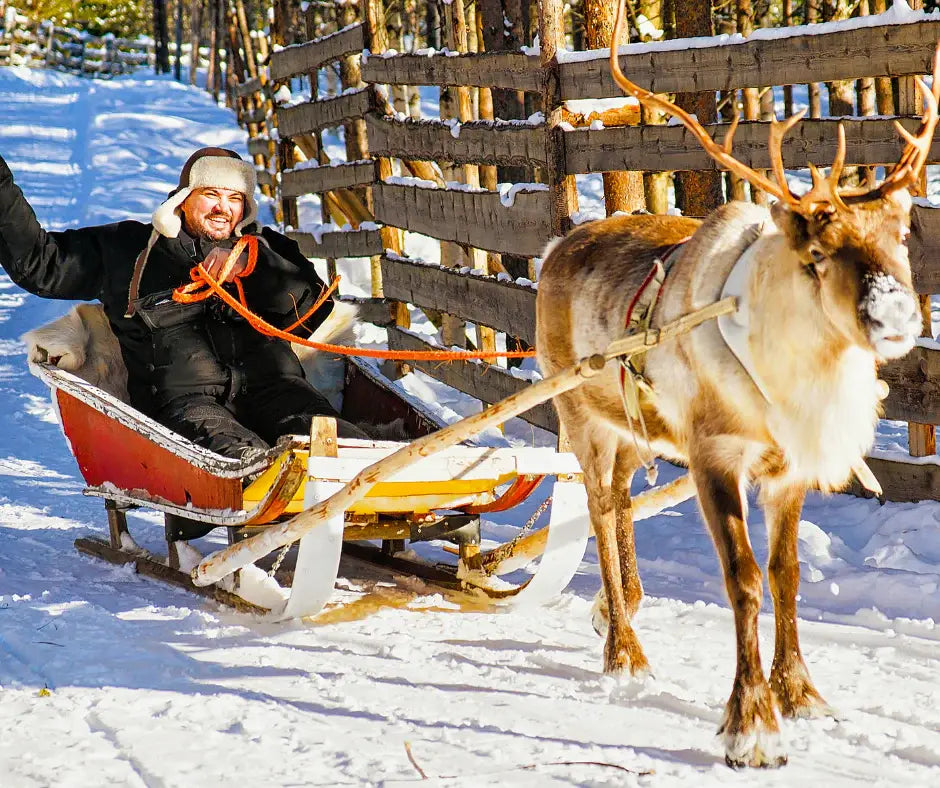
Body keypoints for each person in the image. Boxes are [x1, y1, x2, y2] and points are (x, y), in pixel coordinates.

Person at [0, 146, 366, 459]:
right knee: (245, 461)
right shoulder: (129, 250)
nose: (223, 208)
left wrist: (250, 266)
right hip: (186, 405)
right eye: (212, 195)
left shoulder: (267, 250)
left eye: (235, 198)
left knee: (347, 448)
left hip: (277, 390)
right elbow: (41, 266)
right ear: (183, 198)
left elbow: (313, 306)